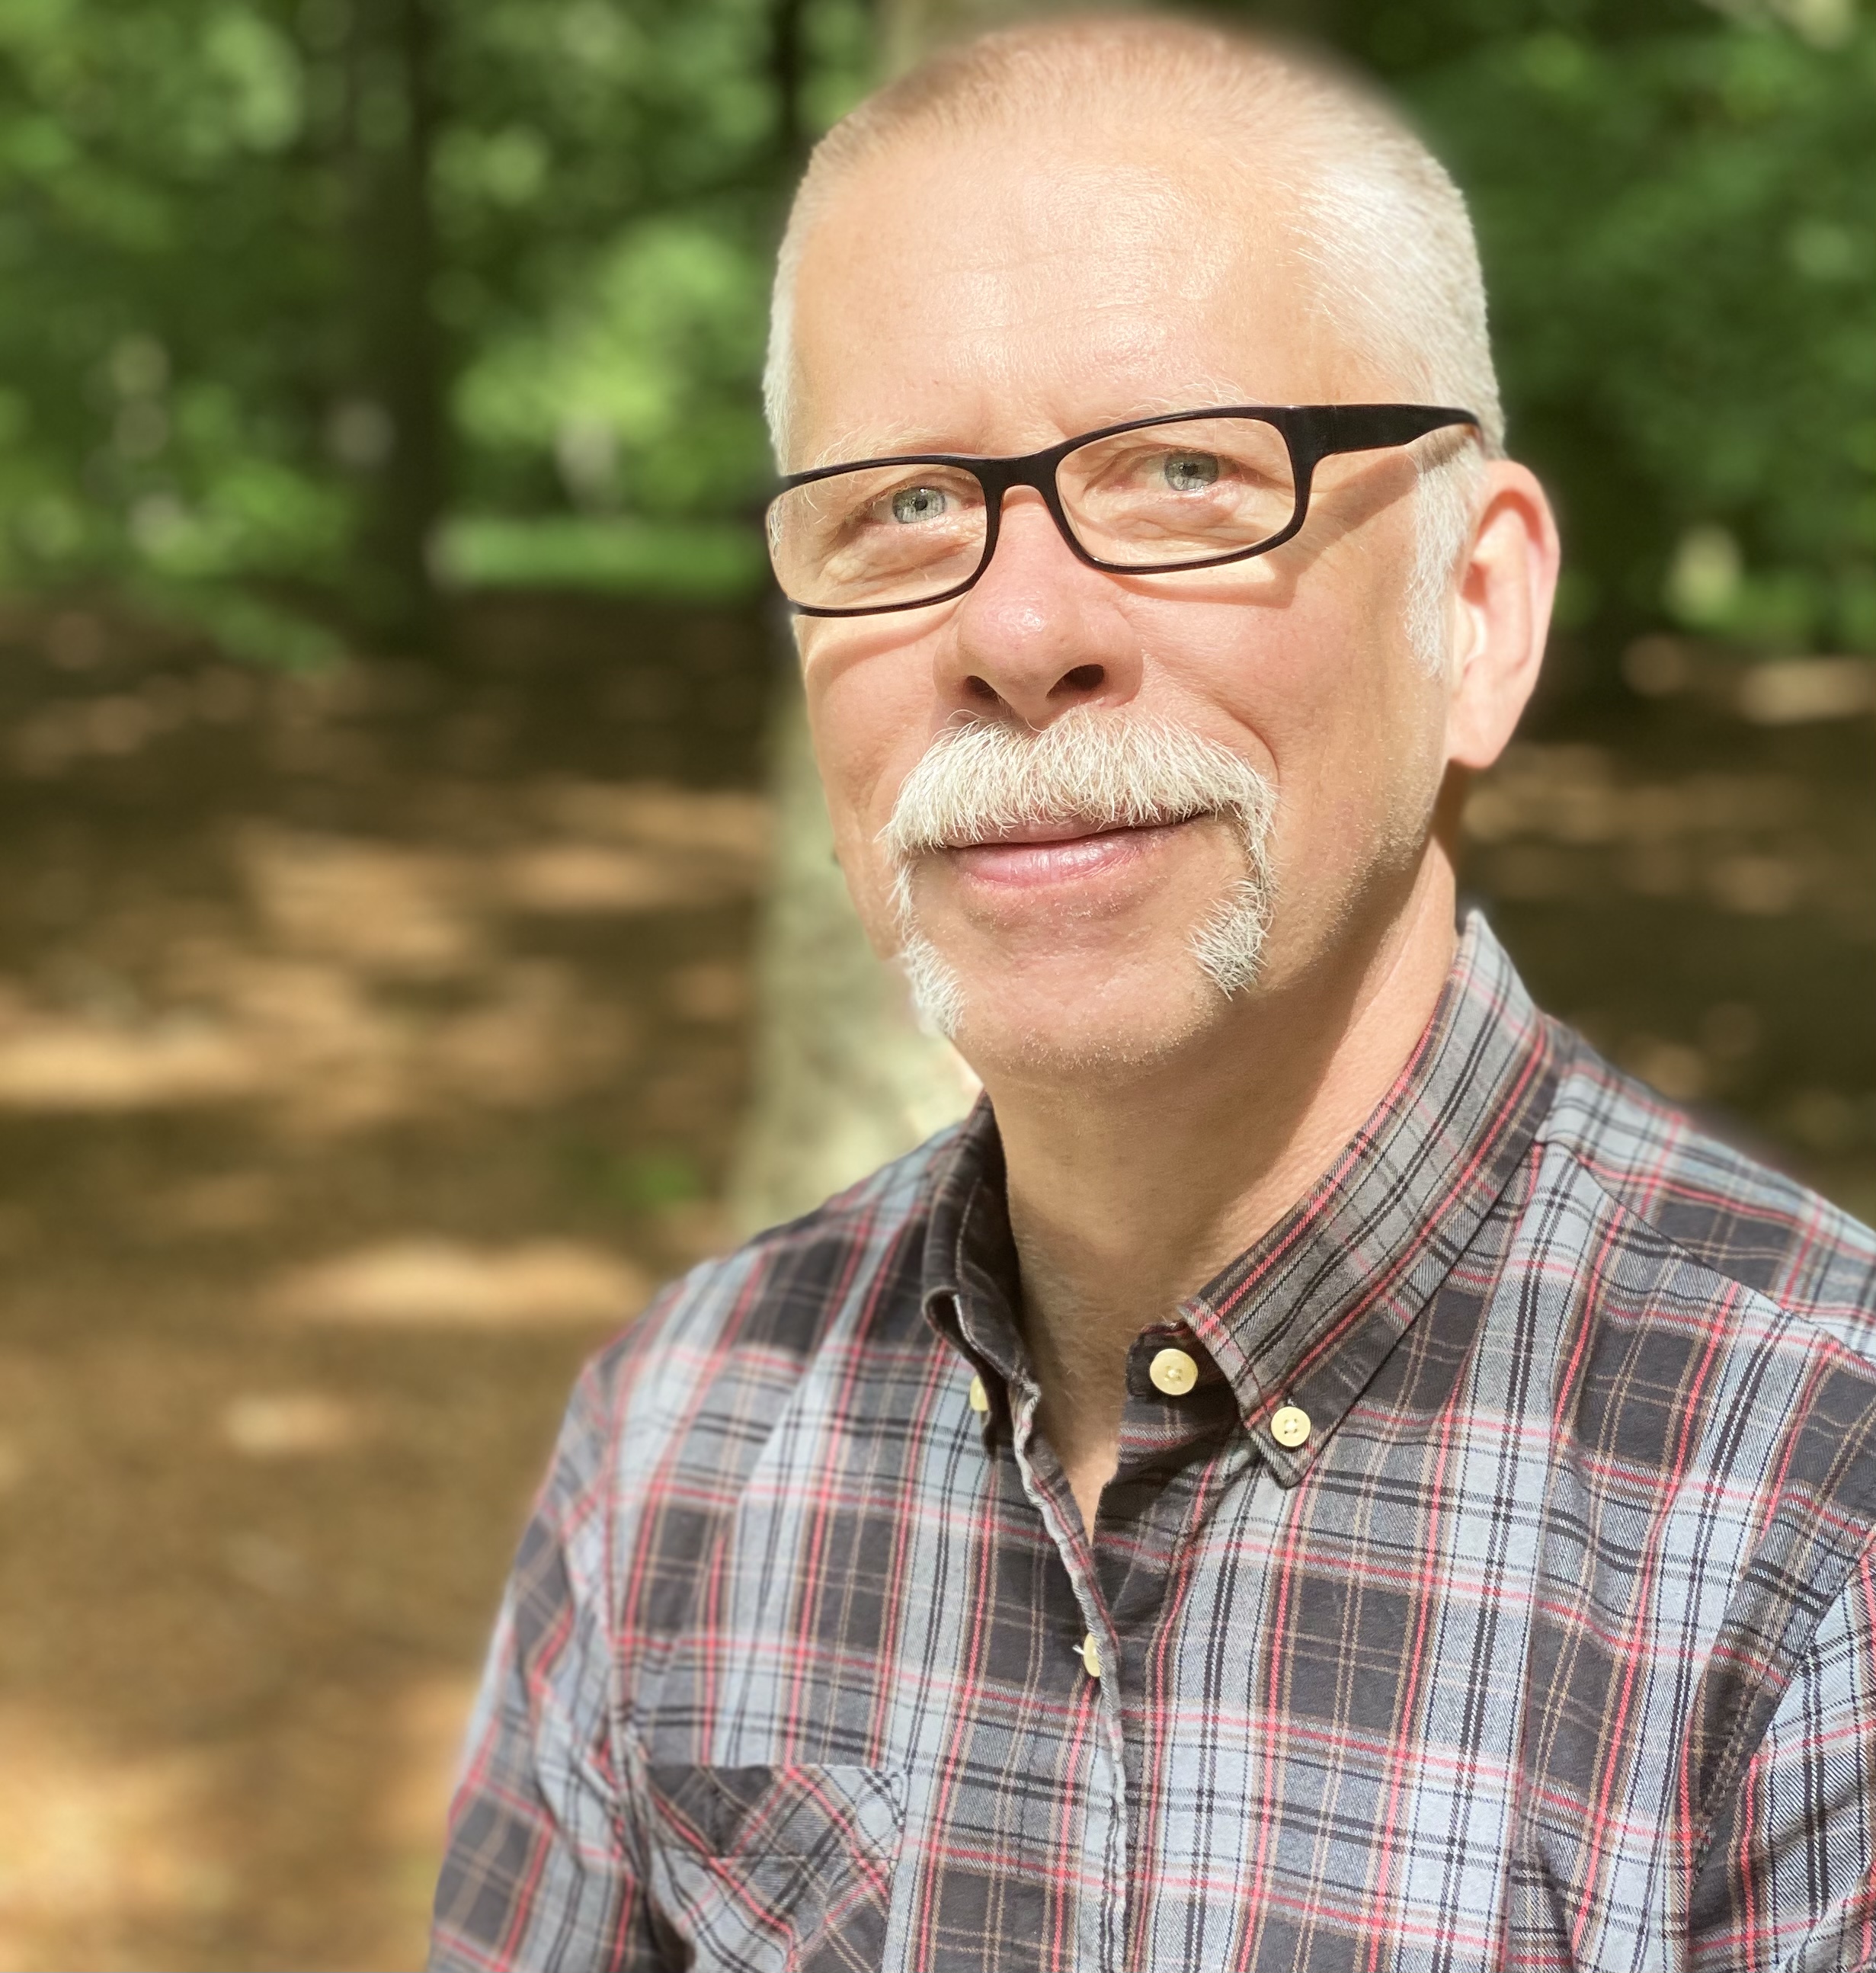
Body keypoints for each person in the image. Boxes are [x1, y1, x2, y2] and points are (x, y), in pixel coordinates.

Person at [430, 16, 1876, 1969]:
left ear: (1474, 609)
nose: (1016, 629)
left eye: (1187, 471)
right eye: (899, 508)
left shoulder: (1821, 1523)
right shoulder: (678, 1437)